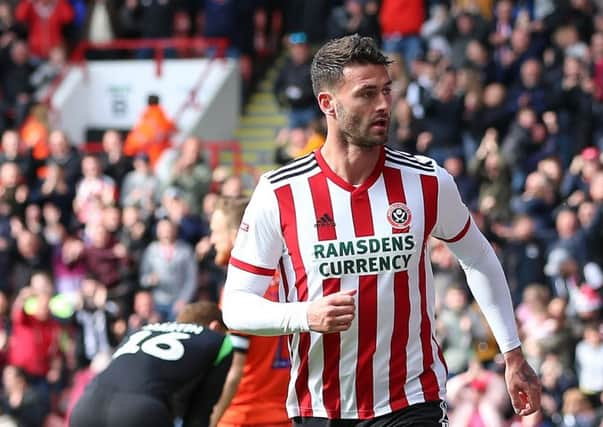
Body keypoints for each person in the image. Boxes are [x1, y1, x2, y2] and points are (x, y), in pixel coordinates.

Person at [222, 35, 541, 425]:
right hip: (322, 407)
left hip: (411, 400)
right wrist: (305, 315)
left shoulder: (426, 181)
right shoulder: (280, 192)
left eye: (387, 91)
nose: (383, 105)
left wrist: (512, 353)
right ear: (328, 104)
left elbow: (477, 257)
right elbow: (236, 306)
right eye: (367, 93)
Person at [69, 301, 233, 427]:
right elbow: (200, 414)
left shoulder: (143, 330)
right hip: (139, 413)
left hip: (85, 407)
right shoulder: (219, 341)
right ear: (215, 327)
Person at [208, 196, 290, 427]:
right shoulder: (290, 278)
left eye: (216, 231)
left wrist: (211, 420)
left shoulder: (241, 290)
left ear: (236, 236)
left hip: (242, 415)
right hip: (288, 414)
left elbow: (235, 367)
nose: (212, 239)